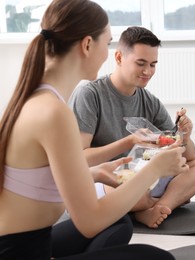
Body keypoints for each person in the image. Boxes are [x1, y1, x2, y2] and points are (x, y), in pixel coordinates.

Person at [0, 1, 183, 259]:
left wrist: (94, 173)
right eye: (107, 44)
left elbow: (36, 177)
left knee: (119, 223)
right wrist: (155, 168)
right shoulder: (54, 111)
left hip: (29, 241)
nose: (109, 54)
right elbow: (89, 221)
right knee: (156, 257)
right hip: (21, 251)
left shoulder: (35, 97)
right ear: (87, 45)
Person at [68, 26, 195, 229]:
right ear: (118, 58)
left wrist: (184, 137)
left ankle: (157, 208)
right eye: (141, 63)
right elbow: (79, 159)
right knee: (129, 192)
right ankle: (149, 206)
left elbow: (187, 157)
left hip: (141, 177)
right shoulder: (89, 94)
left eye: (153, 64)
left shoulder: (149, 101)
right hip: (106, 179)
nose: (148, 71)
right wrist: (129, 141)